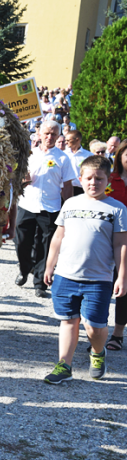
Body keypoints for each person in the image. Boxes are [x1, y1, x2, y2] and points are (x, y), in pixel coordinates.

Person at [42, 155, 127, 384]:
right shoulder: (70, 204)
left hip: (99, 278)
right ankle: (64, 365)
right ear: (81, 178)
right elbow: (58, 237)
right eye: (88, 178)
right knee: (68, 320)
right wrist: (50, 266)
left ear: (108, 180)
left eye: (99, 178)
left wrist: (121, 276)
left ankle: (98, 353)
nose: (93, 183)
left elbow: (120, 244)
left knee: (94, 325)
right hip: (66, 274)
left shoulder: (117, 209)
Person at [15, 121, 76, 298]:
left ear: (58, 137)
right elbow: (17, 178)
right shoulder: (28, 154)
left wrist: (69, 208)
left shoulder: (63, 158)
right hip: (27, 204)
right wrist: (22, 180)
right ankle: (25, 268)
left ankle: (40, 282)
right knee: (21, 241)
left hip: (50, 206)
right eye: (47, 133)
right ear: (39, 134)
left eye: (54, 134)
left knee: (46, 245)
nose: (50, 137)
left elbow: (66, 185)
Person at [106, 141, 127, 351]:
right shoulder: (109, 179)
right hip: (106, 240)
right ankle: (98, 331)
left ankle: (117, 334)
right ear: (120, 156)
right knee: (103, 285)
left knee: (124, 289)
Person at [64, 130, 93, 196]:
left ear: (77, 140)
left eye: (68, 140)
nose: (66, 142)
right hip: (65, 188)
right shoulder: (63, 154)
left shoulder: (88, 155)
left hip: (81, 189)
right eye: (66, 140)